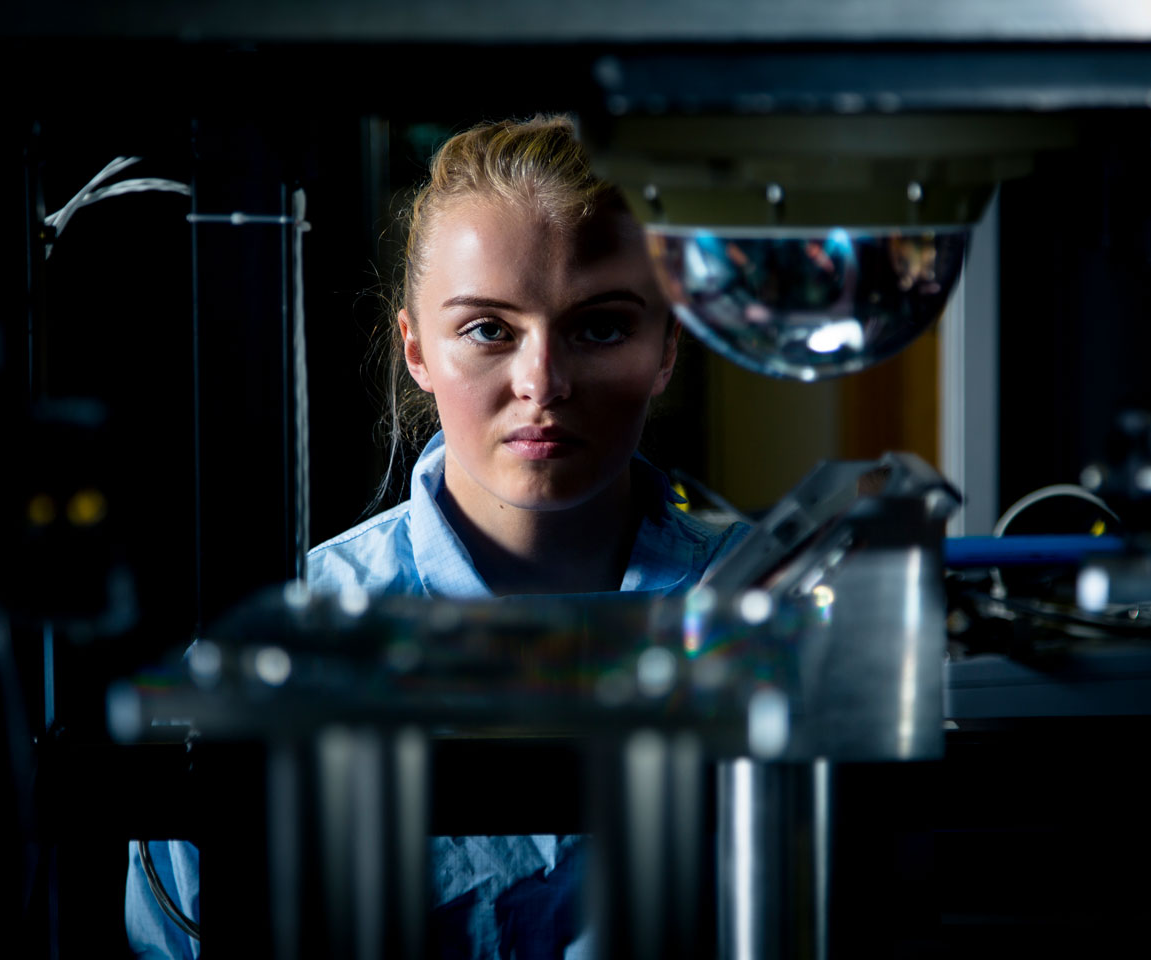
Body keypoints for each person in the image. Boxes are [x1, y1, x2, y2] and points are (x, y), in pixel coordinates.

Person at [127, 115, 749, 959]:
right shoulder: (289, 639)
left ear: (667, 346)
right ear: (416, 350)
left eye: (600, 326)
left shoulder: (761, 610)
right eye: (489, 330)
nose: (544, 383)